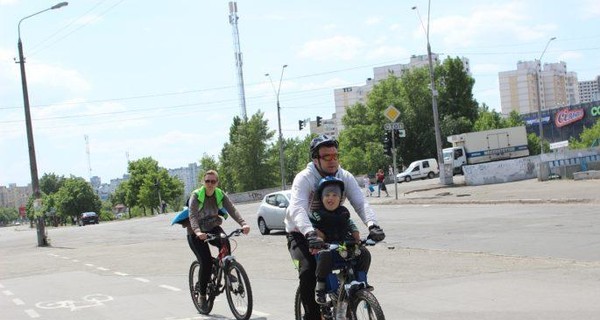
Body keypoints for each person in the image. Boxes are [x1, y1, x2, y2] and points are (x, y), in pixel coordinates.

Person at [285, 134, 385, 320]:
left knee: (360, 255)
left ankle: (348, 298)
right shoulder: (304, 178)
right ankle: (313, 315)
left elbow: (360, 202)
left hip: (333, 231)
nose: (333, 161)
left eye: (335, 156)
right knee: (307, 272)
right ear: (316, 159)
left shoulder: (344, 176)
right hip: (301, 233)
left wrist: (373, 225)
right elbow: (296, 209)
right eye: (327, 157)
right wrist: (309, 233)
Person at [184, 170, 250, 309]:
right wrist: (197, 231)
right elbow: (192, 216)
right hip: (196, 233)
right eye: (207, 181)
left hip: (212, 226)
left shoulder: (219, 194)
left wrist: (243, 223)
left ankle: (227, 269)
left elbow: (232, 209)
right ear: (203, 182)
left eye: (213, 181)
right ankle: (202, 295)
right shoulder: (196, 196)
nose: (210, 184)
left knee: (225, 240)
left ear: (217, 183)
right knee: (206, 262)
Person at [309, 176, 371, 305]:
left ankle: (361, 282)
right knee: (324, 254)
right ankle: (320, 287)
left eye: (334, 195)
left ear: (340, 198)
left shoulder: (343, 213)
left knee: (364, 252)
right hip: (327, 249)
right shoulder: (316, 215)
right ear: (321, 198)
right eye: (327, 195)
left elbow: (351, 225)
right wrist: (317, 236)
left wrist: (356, 236)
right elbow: (311, 228)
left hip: (344, 247)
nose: (331, 198)